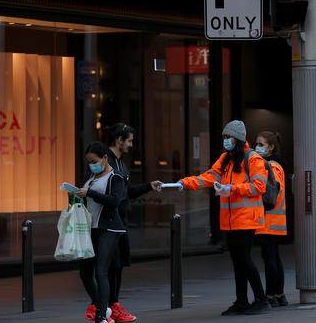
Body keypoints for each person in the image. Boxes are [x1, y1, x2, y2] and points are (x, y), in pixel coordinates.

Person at [177, 120, 271, 315]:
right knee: (238, 260)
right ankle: (242, 301)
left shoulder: (253, 159)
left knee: (244, 259)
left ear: (237, 139)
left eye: (228, 137)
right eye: (224, 137)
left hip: (246, 219)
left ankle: (261, 300)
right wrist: (183, 183)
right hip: (231, 220)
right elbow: (208, 177)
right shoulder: (226, 158)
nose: (225, 141)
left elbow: (259, 187)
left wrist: (232, 189)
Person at [105, 123, 162, 323]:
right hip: (109, 222)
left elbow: (126, 192)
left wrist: (148, 187)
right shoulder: (107, 161)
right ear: (119, 140)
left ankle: (113, 304)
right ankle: (105, 305)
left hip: (121, 221)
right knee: (110, 265)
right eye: (128, 140)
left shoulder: (121, 163)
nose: (131, 145)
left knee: (118, 263)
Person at [75, 141, 127, 323]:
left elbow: (115, 201)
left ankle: (101, 316)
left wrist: (90, 193)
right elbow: (86, 197)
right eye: (89, 161)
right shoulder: (91, 176)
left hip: (109, 228)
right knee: (85, 273)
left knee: (101, 271)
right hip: (90, 229)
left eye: (94, 161)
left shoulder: (116, 177)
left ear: (105, 158)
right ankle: (102, 307)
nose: (92, 165)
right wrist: (76, 194)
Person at [253, 131, 289, 307]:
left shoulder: (269, 166)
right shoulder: (279, 166)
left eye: (261, 144)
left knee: (269, 258)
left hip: (267, 220)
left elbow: (267, 193)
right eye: (257, 144)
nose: (257, 147)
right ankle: (280, 294)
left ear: (271, 147)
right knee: (274, 257)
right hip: (278, 220)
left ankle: (270, 295)